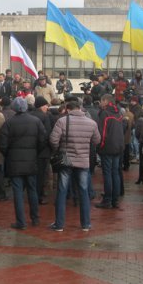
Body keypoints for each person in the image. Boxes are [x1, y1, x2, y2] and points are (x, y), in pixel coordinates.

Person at [49, 99, 101, 231]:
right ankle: (86, 224)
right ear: (81, 108)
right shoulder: (91, 123)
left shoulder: (62, 121)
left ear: (68, 109)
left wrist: (59, 149)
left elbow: (53, 140)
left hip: (66, 157)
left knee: (62, 190)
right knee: (83, 191)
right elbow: (97, 140)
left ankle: (59, 224)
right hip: (83, 159)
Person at [0, 97, 46, 230]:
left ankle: (21, 221)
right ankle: (35, 218)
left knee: (18, 192)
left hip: (14, 162)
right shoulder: (36, 121)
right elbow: (43, 140)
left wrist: (8, 154)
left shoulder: (9, 123)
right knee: (32, 190)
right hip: (31, 161)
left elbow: (2, 143)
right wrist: (35, 152)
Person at [95, 94, 125, 209]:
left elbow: (102, 133)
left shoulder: (105, 113)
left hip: (107, 147)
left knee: (107, 173)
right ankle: (115, 199)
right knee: (115, 173)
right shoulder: (119, 113)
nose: (100, 103)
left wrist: (100, 146)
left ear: (106, 101)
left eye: (102, 101)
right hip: (118, 146)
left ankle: (107, 199)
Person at [30, 96, 54, 204]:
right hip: (43, 152)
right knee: (41, 175)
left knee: (33, 174)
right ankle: (38, 196)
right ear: (41, 106)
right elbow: (47, 134)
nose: (47, 108)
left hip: (32, 150)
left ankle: (33, 194)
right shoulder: (45, 117)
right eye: (45, 106)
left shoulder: (30, 116)